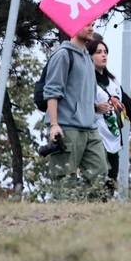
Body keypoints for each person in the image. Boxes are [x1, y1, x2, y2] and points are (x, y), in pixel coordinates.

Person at [43, 22, 108, 194]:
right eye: (87, 24)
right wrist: (54, 125)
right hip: (67, 127)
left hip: (89, 128)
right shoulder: (63, 55)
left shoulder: (87, 57)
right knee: (64, 182)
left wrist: (93, 107)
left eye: (93, 24)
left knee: (100, 173)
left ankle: (87, 215)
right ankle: (64, 217)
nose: (91, 28)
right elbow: (51, 91)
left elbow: (82, 91)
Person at [85, 37, 131, 195]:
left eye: (105, 52)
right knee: (97, 174)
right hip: (94, 135)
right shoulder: (86, 79)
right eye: (99, 52)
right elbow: (77, 101)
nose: (104, 55)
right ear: (89, 55)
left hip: (113, 135)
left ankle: (106, 207)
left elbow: (127, 102)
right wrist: (95, 107)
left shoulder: (112, 81)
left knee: (111, 177)